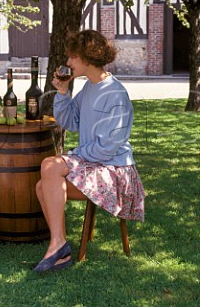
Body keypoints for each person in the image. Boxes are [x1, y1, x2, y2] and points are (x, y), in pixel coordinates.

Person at [32, 30, 145, 272]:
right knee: (42, 186)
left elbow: (107, 148)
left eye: (73, 57)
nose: (68, 62)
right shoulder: (90, 87)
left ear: (87, 57)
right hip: (96, 165)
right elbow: (72, 121)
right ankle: (59, 246)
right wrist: (63, 92)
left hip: (116, 172)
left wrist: (73, 157)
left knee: (50, 166)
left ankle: (58, 247)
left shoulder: (115, 94)